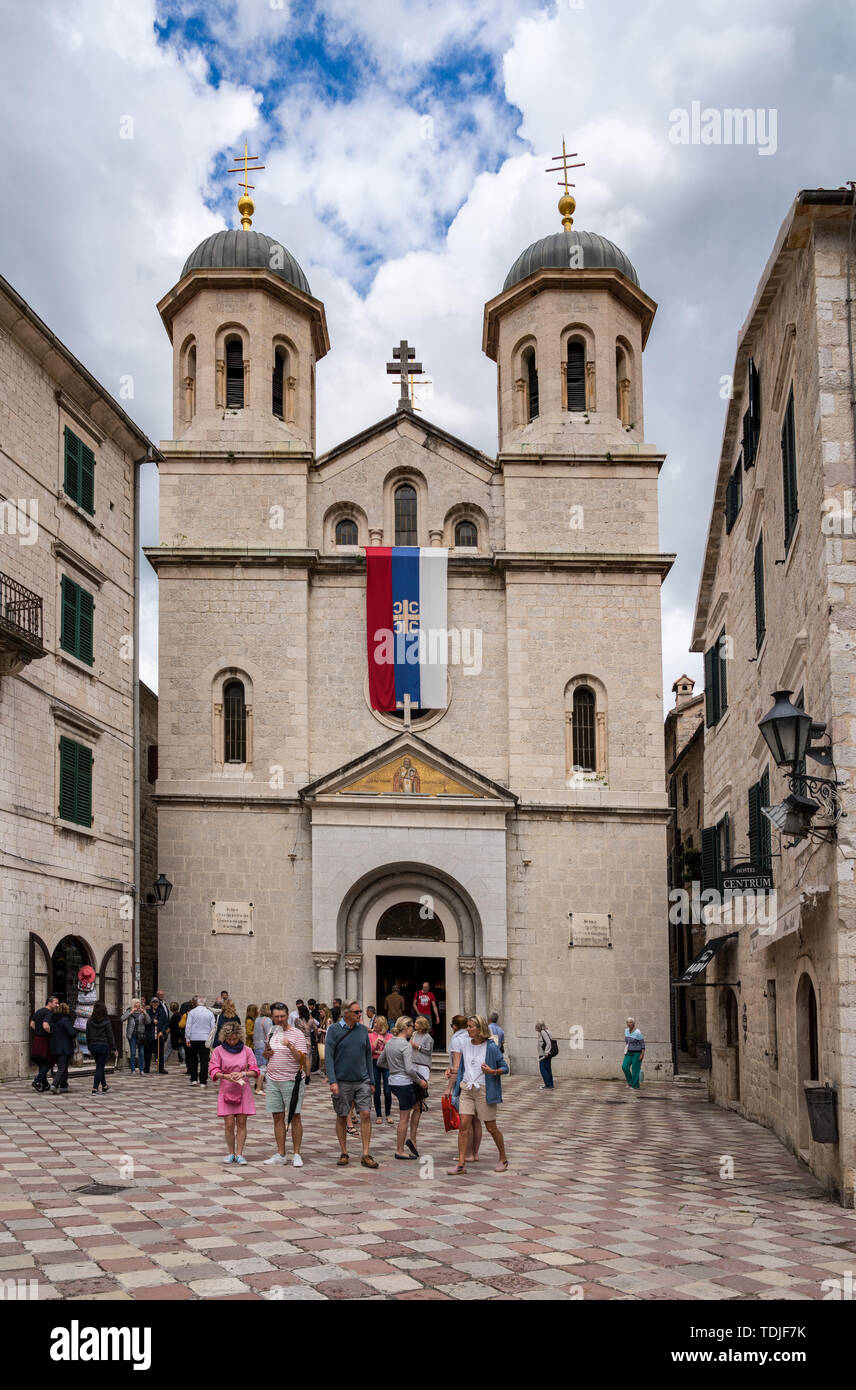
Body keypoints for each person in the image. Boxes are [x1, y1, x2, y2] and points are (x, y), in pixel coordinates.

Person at [448, 1015, 509, 1175]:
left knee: (491, 1127)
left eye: (470, 1026)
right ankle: (461, 1164)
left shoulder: (491, 1047)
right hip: (467, 1089)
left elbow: (505, 1067)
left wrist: (492, 1071)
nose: (467, 1029)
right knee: (464, 1126)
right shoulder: (465, 1044)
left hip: (484, 1090)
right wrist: (451, 1070)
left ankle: (503, 1158)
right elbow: (463, 1066)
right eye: (467, 1026)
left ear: (480, 1028)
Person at [325, 1000, 378, 1168]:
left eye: (360, 1011)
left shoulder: (362, 1030)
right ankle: (344, 1151)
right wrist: (332, 1080)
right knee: (342, 1115)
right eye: (357, 1012)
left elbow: (368, 1056)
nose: (360, 1014)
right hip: (342, 1081)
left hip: (362, 1079)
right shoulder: (334, 1030)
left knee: (365, 1114)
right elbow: (328, 1057)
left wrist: (372, 1080)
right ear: (346, 1013)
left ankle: (366, 1153)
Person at [262, 1003, 308, 1167]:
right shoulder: (272, 1031)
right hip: (273, 1080)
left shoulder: (297, 1034)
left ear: (288, 1015)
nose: (280, 1019)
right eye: (276, 1016)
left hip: (292, 1080)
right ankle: (281, 1153)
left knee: (294, 1116)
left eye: (282, 1016)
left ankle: (296, 1154)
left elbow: (302, 1059)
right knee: (277, 1116)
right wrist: (266, 1054)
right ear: (272, 1017)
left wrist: (289, 1045)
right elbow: (267, 1054)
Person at [209, 1020, 260, 1164]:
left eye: (235, 1039)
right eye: (229, 1039)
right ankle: (231, 1152)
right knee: (229, 1123)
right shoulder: (218, 1050)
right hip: (226, 1089)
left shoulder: (247, 1050)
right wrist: (225, 1076)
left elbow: (255, 1070)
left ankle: (239, 1153)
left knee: (242, 1122)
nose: (232, 1042)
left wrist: (243, 1074)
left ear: (239, 1037)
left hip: (243, 1090)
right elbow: (213, 1070)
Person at [379, 1017, 428, 1159]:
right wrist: (420, 1081)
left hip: (393, 1082)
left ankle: (412, 1139)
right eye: (412, 1026)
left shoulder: (389, 1042)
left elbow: (380, 1062)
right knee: (404, 1117)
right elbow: (409, 1069)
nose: (413, 1029)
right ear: (406, 1027)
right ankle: (400, 1150)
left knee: (418, 1107)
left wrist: (393, 1068)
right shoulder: (405, 1045)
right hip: (404, 1083)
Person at [444, 1014, 480, 1161]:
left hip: (464, 1082)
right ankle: (475, 1153)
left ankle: (468, 1154)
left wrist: (449, 1088)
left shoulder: (457, 1040)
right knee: (476, 1120)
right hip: (477, 1081)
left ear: (454, 1026)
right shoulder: (472, 1038)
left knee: (466, 1120)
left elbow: (457, 1066)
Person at [86, 1002, 117, 1093]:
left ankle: (104, 1086)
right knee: (100, 1066)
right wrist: (114, 1048)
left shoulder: (90, 1020)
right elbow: (110, 1035)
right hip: (103, 1046)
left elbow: (87, 1034)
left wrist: (89, 1046)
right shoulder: (106, 1021)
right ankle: (95, 1088)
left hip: (93, 1046)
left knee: (100, 1065)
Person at [185, 996, 216, 1087]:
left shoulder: (192, 1012)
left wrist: (187, 1038)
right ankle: (203, 1081)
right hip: (205, 1038)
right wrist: (211, 1040)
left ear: (197, 1003)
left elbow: (188, 1026)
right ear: (205, 1003)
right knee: (204, 1060)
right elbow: (213, 1027)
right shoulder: (210, 1013)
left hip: (194, 1037)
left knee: (193, 1059)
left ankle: (193, 1079)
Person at [30, 994, 58, 1092]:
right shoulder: (48, 1013)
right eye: (56, 1003)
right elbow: (45, 1025)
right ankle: (37, 1081)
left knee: (42, 1063)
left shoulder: (38, 1011)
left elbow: (32, 1024)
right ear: (49, 1003)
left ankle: (45, 1085)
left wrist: (38, 1031)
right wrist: (52, 1033)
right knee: (48, 1062)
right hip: (44, 1040)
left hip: (37, 1039)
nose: (57, 1005)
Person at [369, 1014, 393, 1124]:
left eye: (376, 1023)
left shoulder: (390, 1036)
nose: (374, 1025)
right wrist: (376, 1041)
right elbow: (370, 1051)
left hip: (387, 1064)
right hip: (374, 1063)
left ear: (382, 1025)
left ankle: (388, 1114)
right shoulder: (371, 1035)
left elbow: (392, 1051)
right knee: (376, 1090)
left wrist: (384, 1042)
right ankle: (379, 1115)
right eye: (374, 1023)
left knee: (388, 1090)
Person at [49, 1003, 76, 1094]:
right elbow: (72, 1033)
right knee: (62, 1067)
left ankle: (64, 1085)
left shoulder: (53, 1020)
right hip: (64, 1048)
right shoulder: (65, 1020)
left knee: (64, 1067)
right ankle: (54, 1084)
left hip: (54, 1047)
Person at [120, 999, 147, 1076]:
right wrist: (130, 1012)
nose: (138, 1004)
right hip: (132, 1035)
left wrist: (145, 1014)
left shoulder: (142, 1011)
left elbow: (148, 1021)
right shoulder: (129, 1010)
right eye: (137, 1003)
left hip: (141, 1035)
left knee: (141, 1053)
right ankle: (133, 1070)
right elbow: (122, 1018)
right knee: (133, 1053)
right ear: (133, 1004)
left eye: (139, 1003)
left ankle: (141, 1070)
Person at [294, 1004, 318, 1081]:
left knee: (299, 1058)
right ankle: (308, 1076)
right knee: (307, 1058)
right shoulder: (311, 1020)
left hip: (299, 1039)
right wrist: (316, 1036)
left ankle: (300, 1074)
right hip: (308, 1040)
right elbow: (316, 1028)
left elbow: (296, 1029)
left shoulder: (297, 1020)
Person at [253, 1003, 273, 1088]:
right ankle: (259, 1087)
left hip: (256, 1044)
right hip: (264, 1045)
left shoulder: (257, 1019)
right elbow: (269, 1034)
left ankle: (259, 1086)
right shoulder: (268, 1020)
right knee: (263, 1068)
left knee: (259, 1067)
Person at [623, 1017, 645, 1091]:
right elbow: (627, 1042)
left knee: (635, 1069)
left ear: (633, 1023)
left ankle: (635, 1085)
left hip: (637, 1053)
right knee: (624, 1066)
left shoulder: (638, 1032)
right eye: (627, 1022)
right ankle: (630, 1083)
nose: (629, 1024)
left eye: (630, 1022)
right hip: (628, 1052)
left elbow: (642, 1044)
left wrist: (642, 1054)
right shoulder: (626, 1031)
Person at [150, 995, 170, 1073]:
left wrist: (162, 1031)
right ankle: (146, 1068)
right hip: (151, 1034)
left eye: (156, 1002)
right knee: (148, 1052)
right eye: (153, 1002)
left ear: (158, 1003)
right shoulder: (148, 1011)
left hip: (159, 1034)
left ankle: (161, 1068)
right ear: (151, 1003)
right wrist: (152, 1021)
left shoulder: (162, 1012)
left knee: (160, 1052)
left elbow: (166, 1023)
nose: (155, 1004)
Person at [537, 1021, 555, 1089]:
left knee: (543, 1069)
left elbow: (548, 1042)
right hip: (547, 1054)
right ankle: (550, 1084)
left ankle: (547, 1085)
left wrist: (546, 1052)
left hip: (544, 1054)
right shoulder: (548, 1031)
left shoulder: (543, 1032)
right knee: (548, 1069)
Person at [168, 1002, 184, 1068]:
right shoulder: (180, 1015)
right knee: (179, 1049)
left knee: (171, 1048)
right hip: (178, 1035)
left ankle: (163, 1060)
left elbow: (173, 1027)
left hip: (175, 1036)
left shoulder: (174, 1017)